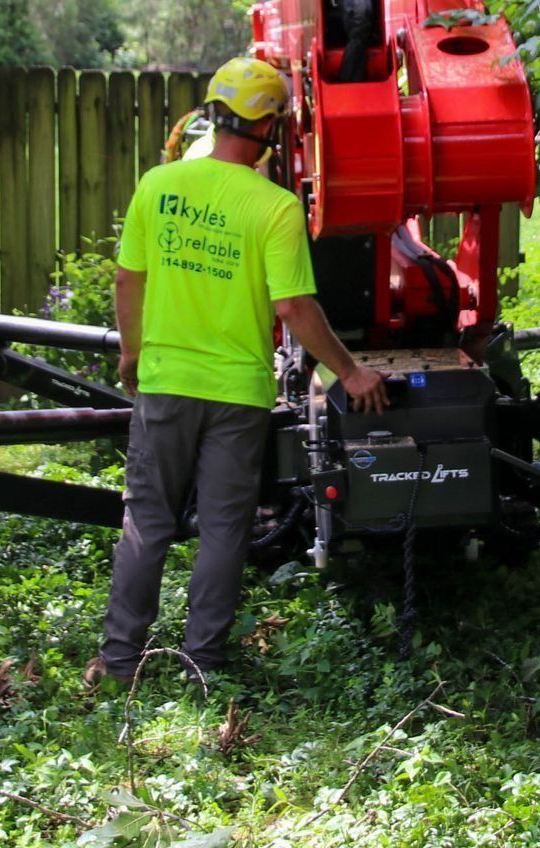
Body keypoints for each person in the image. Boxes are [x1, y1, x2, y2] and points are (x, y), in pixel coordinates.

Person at [85, 56, 388, 688]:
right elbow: (295, 309)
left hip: (165, 382)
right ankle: (203, 665)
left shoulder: (157, 185)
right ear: (270, 128)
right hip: (237, 395)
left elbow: (127, 278)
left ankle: (118, 664)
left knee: (148, 520)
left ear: (215, 114)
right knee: (224, 530)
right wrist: (350, 372)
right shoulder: (274, 208)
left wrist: (133, 353)